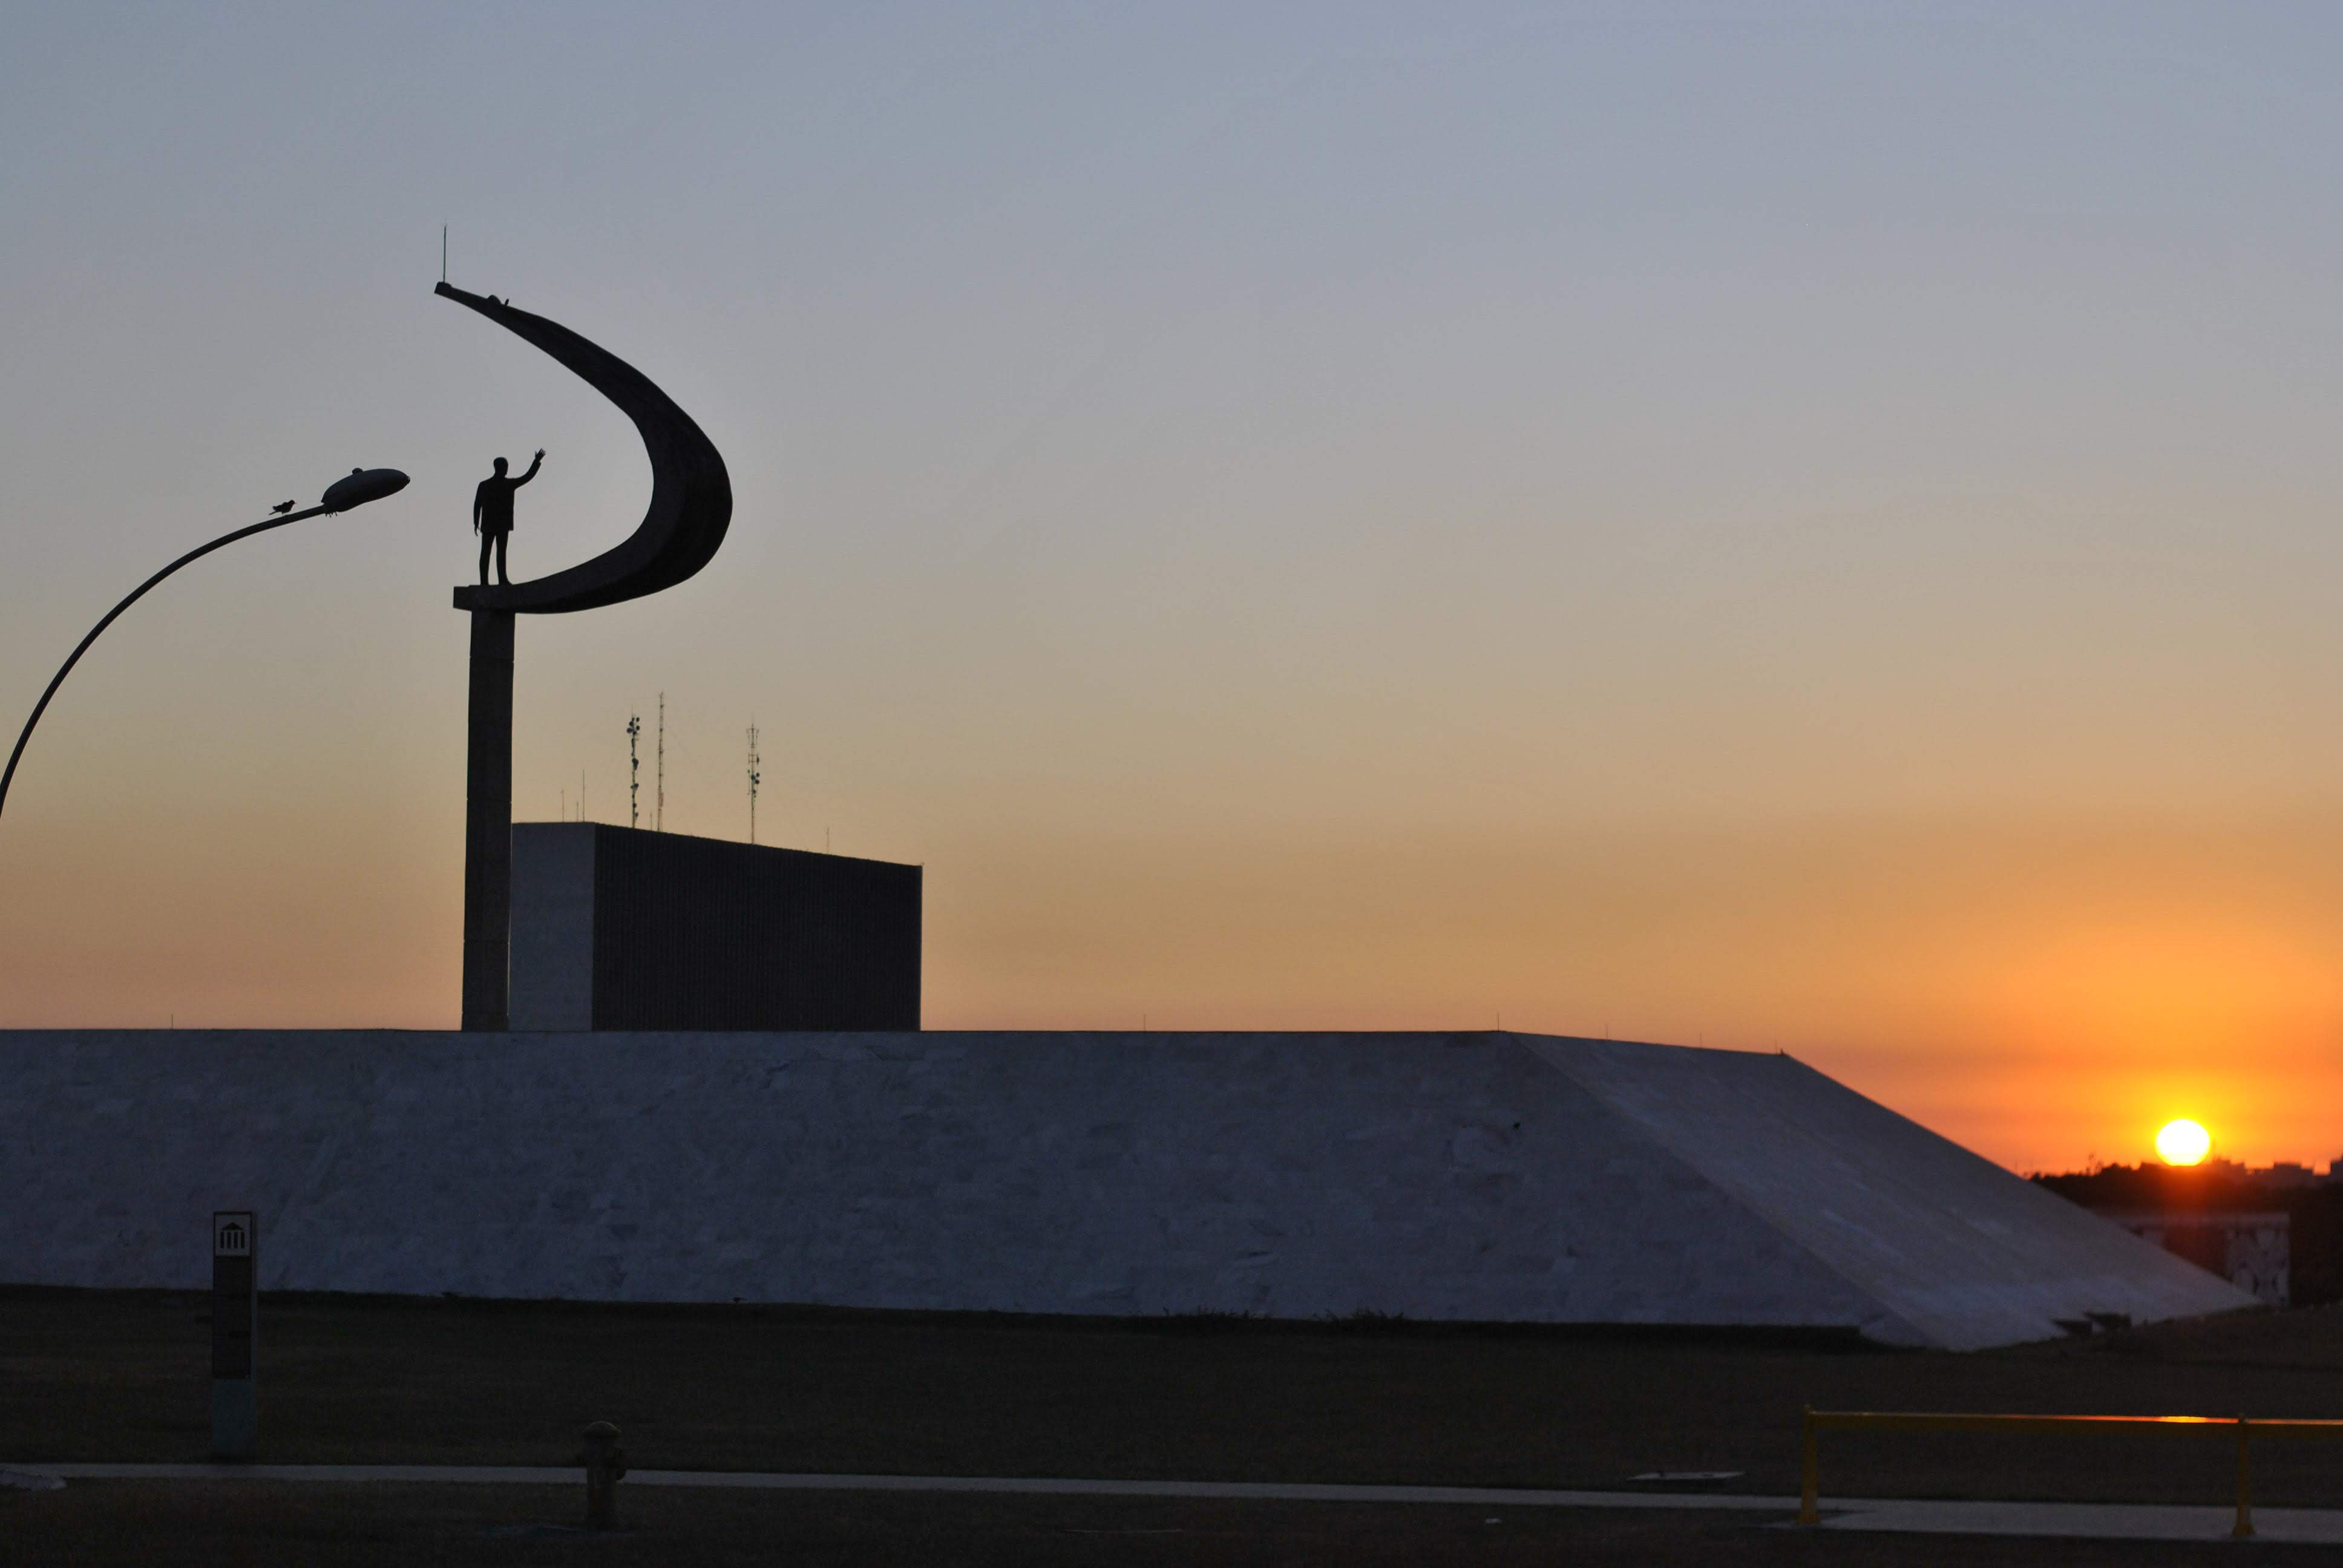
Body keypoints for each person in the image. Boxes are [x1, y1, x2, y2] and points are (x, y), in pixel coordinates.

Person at [473, 449, 545, 586]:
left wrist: (476, 521)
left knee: (488, 553)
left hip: (492, 524)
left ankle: (489, 581)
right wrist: (536, 462)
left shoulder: (485, 485)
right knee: (497, 553)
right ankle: (499, 580)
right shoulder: (506, 484)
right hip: (500, 524)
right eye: (506, 467)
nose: (507, 469)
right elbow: (527, 477)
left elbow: (477, 505)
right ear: (501, 468)